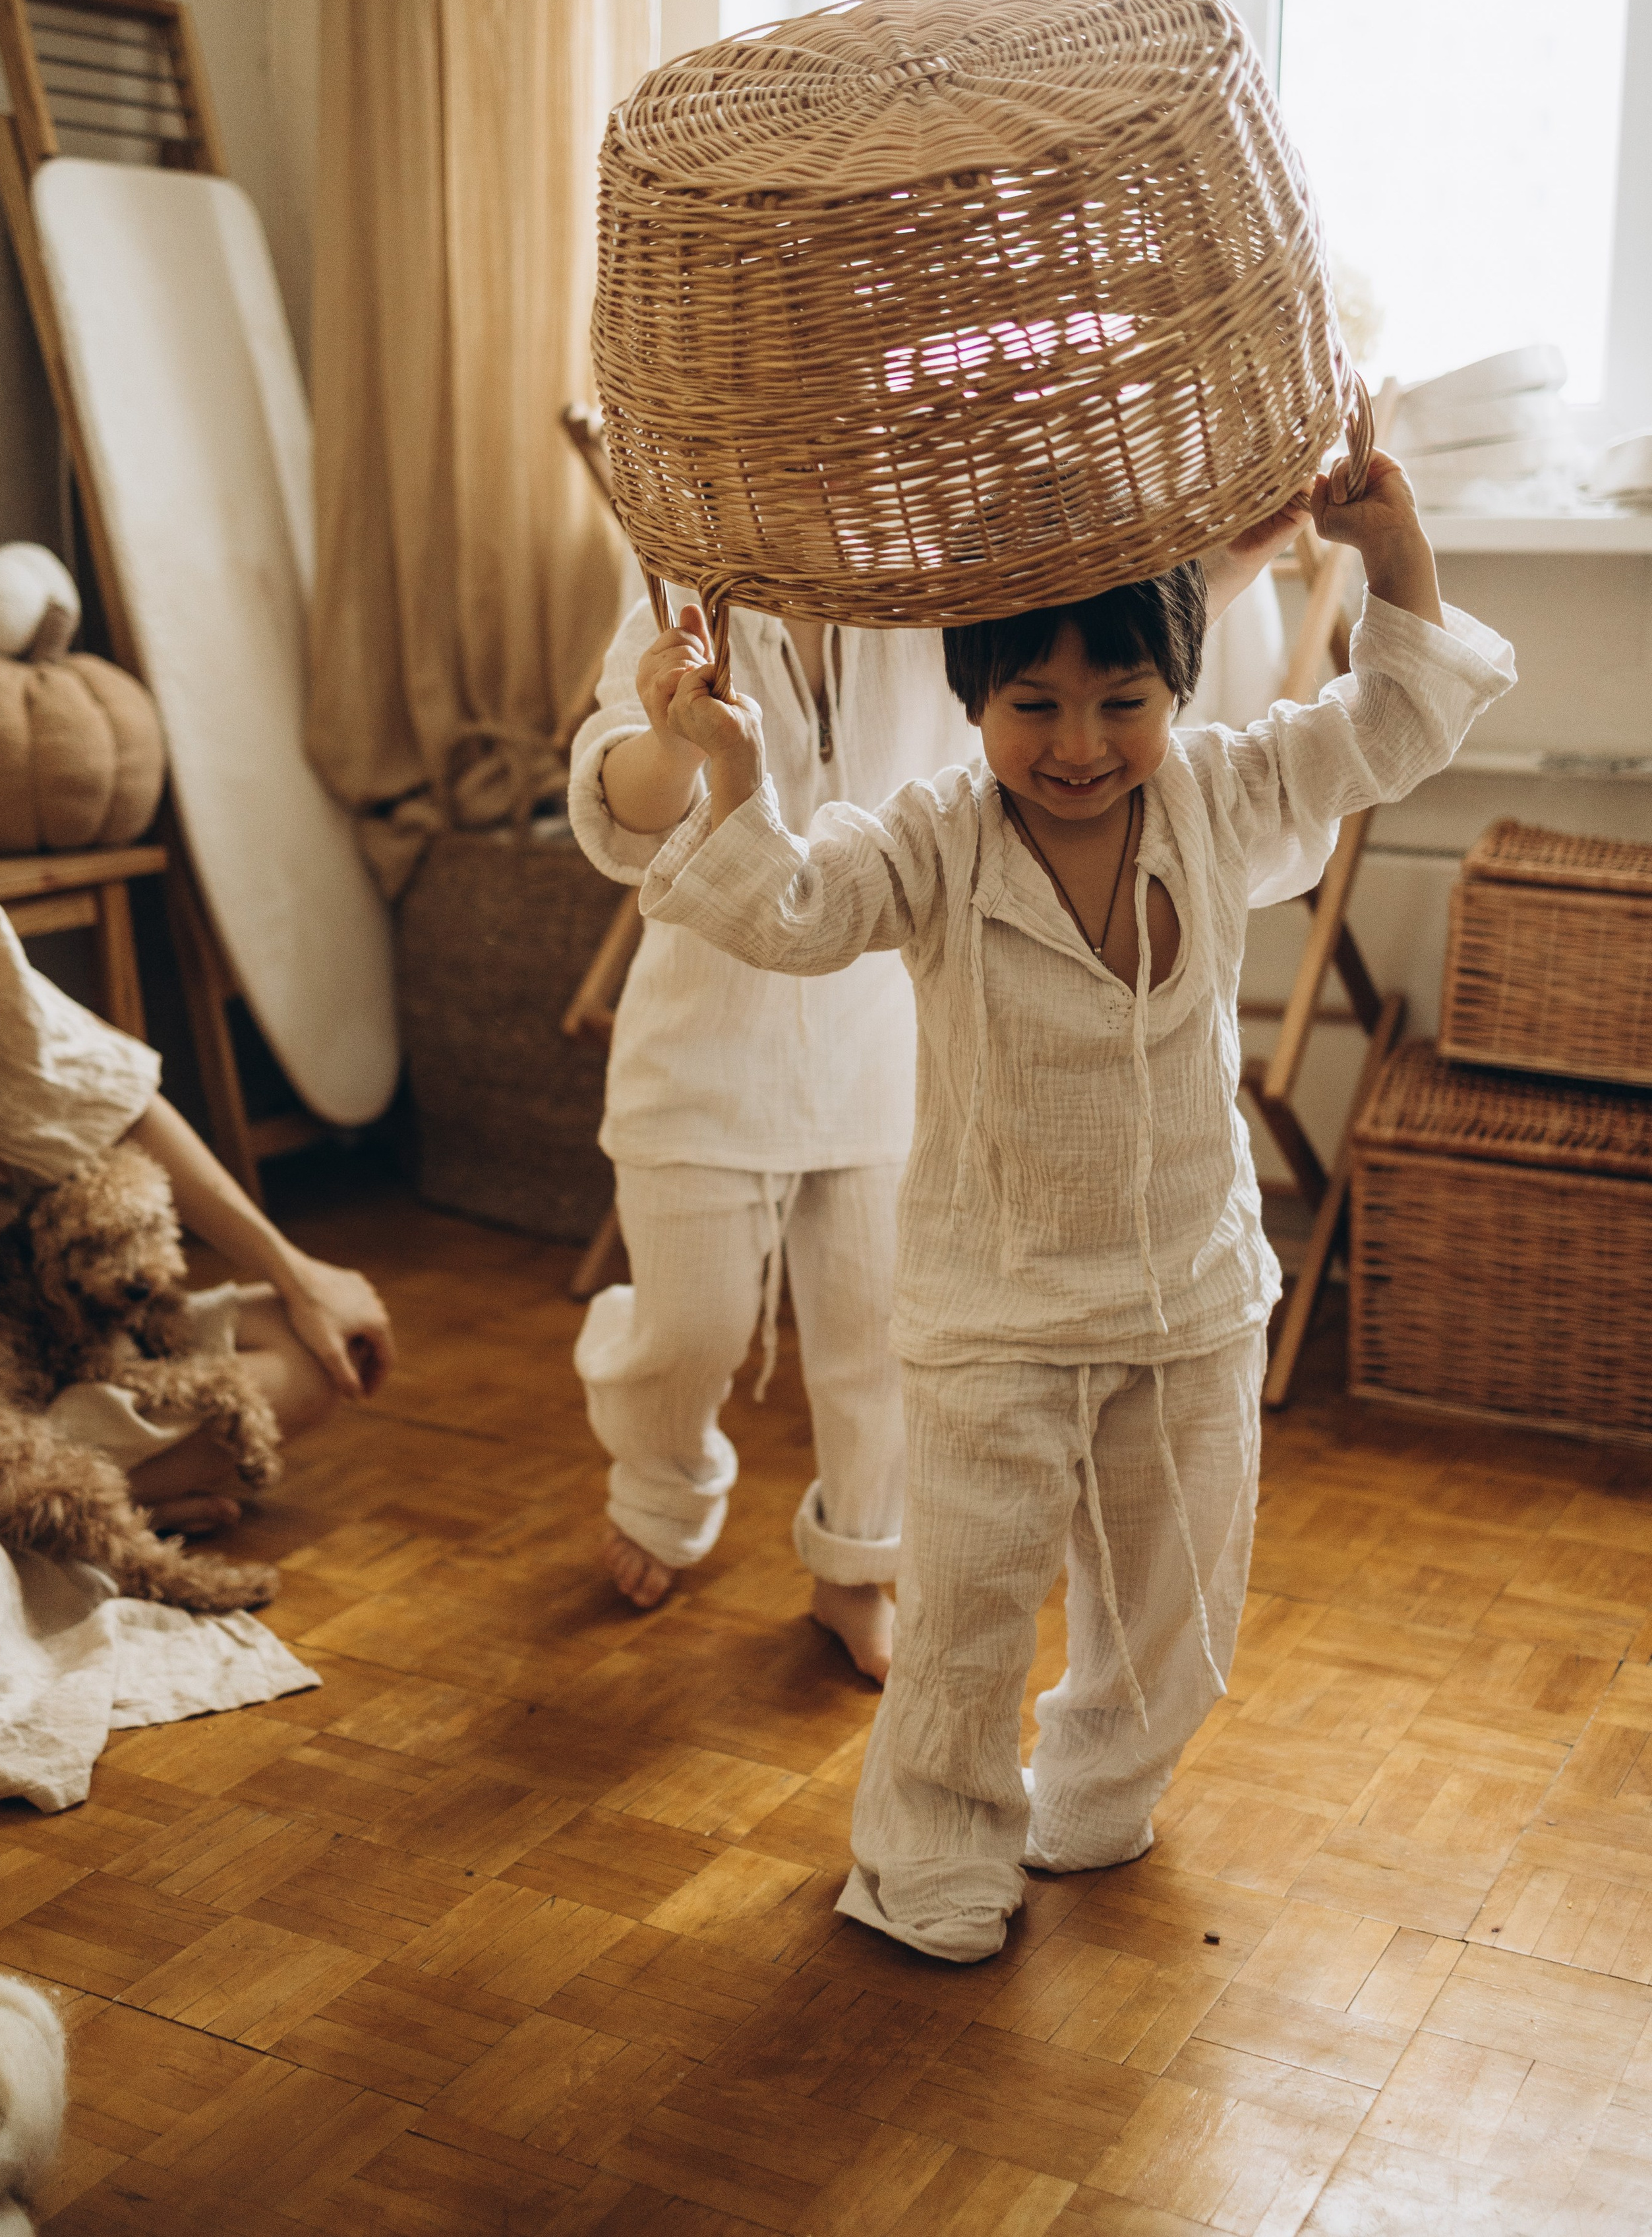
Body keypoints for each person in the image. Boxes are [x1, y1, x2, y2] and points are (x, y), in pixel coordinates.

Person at [632, 453, 1515, 1959]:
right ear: (973, 700)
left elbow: (1382, 725)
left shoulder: (1222, 793)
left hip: (1188, 1295)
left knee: (1174, 1615)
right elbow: (788, 903)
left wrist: (1395, 557)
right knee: (964, 1619)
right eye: (1031, 705)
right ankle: (928, 1852)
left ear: (1175, 683)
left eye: (1121, 699)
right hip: (994, 1310)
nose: (1079, 744)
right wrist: (728, 766)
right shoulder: (929, 837)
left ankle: (1096, 1792)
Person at [568, 553, 1307, 1681]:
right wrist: (675, 732)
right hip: (701, 1054)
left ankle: (857, 1566)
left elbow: (1088, 643)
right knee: (691, 1326)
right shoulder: (679, 617)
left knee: (879, 1340)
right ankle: (661, 1482)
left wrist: (1257, 541)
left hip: (889, 1050)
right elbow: (623, 820)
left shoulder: (936, 613)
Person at [0, 871, 393, 1537]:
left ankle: (49, 1507)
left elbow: (106, 1096)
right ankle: (50, 1515)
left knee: (310, 1356)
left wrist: (298, 1274)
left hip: (27, 1341)